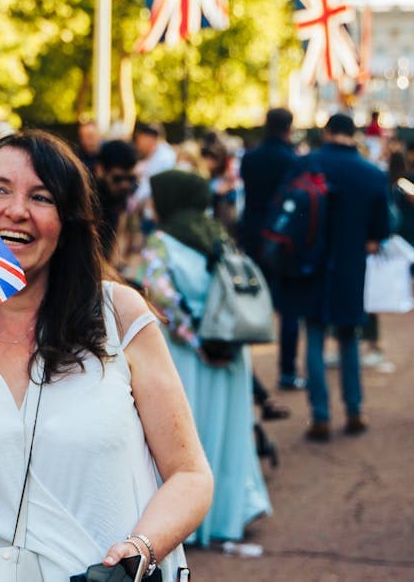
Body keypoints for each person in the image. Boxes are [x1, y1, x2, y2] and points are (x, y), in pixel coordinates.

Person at [0, 130, 212, 581]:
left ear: (68, 219)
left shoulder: (118, 316)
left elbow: (190, 476)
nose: (16, 210)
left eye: (41, 196)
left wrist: (140, 551)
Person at [137, 169, 272, 548]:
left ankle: (186, 521)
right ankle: (228, 514)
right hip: (229, 351)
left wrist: (197, 342)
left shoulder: (161, 241)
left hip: (187, 357)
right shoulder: (218, 236)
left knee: (183, 438)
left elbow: (161, 298)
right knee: (228, 431)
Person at [281, 114, 389, 442]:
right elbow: (380, 230)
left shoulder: (306, 165)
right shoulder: (371, 173)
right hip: (350, 264)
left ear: (327, 132)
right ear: (353, 134)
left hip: (309, 264)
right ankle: (354, 409)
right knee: (348, 337)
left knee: (313, 336)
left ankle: (320, 415)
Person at [239, 108, 303, 391]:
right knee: (289, 305)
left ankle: (245, 370)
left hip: (252, 233)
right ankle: (287, 371)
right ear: (288, 127)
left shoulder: (250, 158)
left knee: (247, 300)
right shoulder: (292, 160)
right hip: (281, 237)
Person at [92, 139, 138, 264]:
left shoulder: (121, 199)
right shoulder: (88, 202)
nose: (125, 185)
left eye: (131, 179)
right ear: (100, 170)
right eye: (117, 179)